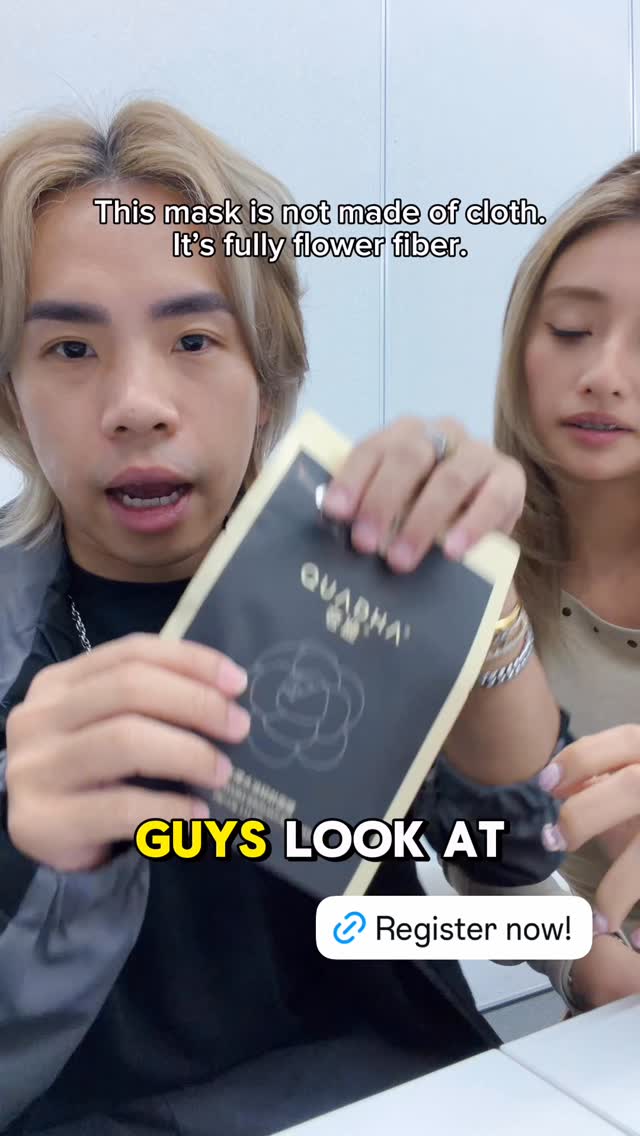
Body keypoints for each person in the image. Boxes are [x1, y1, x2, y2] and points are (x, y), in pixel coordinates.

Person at [0, 98, 565, 1134]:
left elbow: (512, 862)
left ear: (267, 385)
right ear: (12, 397)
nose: (136, 403)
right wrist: (20, 847)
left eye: (194, 338)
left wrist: (482, 609)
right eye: (71, 350)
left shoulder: (355, 578)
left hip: (423, 1100)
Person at [490, 149, 640, 1010]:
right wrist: (581, 959)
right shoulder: (470, 573)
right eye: (572, 330)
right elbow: (482, 864)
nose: (604, 376)